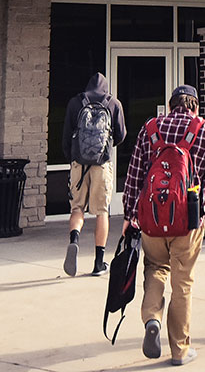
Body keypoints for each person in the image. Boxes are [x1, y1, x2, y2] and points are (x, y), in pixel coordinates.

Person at [122, 85, 205, 366]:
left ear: (170, 106)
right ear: (195, 107)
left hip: (151, 220)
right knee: (183, 283)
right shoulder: (204, 129)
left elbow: (134, 175)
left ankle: (151, 319)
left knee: (155, 269)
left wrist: (129, 215)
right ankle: (179, 350)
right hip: (188, 221)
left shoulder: (150, 128)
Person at [62, 71, 128, 277]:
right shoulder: (113, 103)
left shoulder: (76, 102)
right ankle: (99, 263)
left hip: (78, 164)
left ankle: (74, 240)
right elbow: (121, 134)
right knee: (102, 211)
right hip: (102, 163)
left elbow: (66, 135)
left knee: (77, 208)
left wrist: (73, 156)